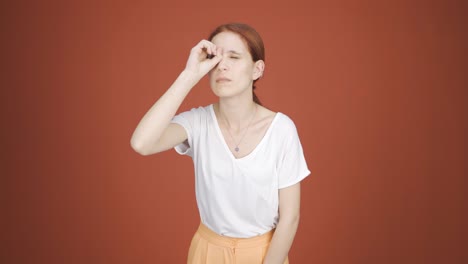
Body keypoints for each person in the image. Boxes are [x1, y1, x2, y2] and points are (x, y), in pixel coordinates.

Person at [130, 23, 310, 264]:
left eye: (234, 57)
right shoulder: (197, 122)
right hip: (207, 252)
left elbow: (290, 217)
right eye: (215, 58)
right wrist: (189, 75)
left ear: (257, 69)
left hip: (266, 253)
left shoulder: (282, 129)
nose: (222, 65)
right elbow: (142, 143)